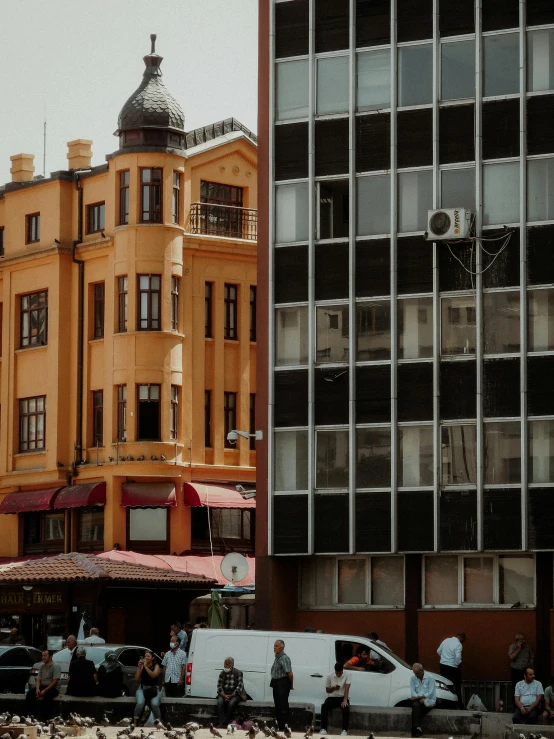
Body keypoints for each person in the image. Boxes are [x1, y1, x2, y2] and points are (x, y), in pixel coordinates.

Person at [25, 649, 60, 720]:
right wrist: (37, 688)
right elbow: (38, 678)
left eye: (45, 656)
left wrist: (44, 691)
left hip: (52, 687)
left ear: (50, 657)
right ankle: (29, 716)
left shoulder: (55, 666)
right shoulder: (41, 666)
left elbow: (55, 681)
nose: (43, 657)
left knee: (47, 697)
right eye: (42, 656)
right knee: (30, 694)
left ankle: (46, 718)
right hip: (42, 686)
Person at [405, 663, 437, 738]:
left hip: (428, 701)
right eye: (415, 673)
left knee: (415, 707)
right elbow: (412, 691)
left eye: (418, 673)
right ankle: (417, 729)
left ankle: (415, 729)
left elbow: (430, 693)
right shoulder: (413, 678)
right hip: (417, 700)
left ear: (422, 670)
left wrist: (419, 698)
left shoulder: (430, 678)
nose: (416, 675)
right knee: (415, 705)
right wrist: (418, 698)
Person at [319, 662, 351, 736]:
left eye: (339, 673)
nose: (338, 675)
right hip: (332, 696)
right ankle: (323, 728)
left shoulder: (348, 675)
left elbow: (347, 688)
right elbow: (327, 690)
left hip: (342, 696)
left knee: (346, 708)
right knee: (324, 706)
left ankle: (344, 730)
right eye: (337, 673)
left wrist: (345, 699)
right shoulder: (329, 676)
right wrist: (333, 688)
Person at [437, 633, 465, 709]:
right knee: (456, 686)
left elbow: (438, 651)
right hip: (453, 668)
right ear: (461, 638)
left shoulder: (445, 640)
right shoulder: (458, 644)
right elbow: (458, 657)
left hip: (443, 666)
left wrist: (444, 658)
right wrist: (458, 665)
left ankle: (445, 704)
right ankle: (459, 705)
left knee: (444, 685)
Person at [134, 650, 161, 727]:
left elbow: (154, 675)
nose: (146, 658)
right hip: (142, 688)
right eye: (145, 656)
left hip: (154, 689)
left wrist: (145, 667)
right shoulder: (142, 666)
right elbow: (136, 678)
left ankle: (158, 721)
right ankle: (135, 722)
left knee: (154, 704)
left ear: (152, 658)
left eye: (148, 656)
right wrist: (140, 668)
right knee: (140, 703)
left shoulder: (156, 666)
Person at [271, 639, 293, 730]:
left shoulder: (284, 658)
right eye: (274, 646)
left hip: (282, 683)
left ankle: (285, 726)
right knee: (278, 706)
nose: (274, 647)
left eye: (276, 646)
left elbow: (290, 674)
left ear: (282, 647)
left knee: (282, 705)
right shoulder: (277, 657)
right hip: (276, 682)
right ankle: (280, 726)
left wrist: (291, 685)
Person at [216, 657, 244, 728]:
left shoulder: (238, 673)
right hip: (224, 693)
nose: (225, 666)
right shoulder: (222, 673)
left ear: (232, 665)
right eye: (225, 664)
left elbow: (239, 688)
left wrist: (230, 696)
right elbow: (219, 687)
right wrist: (224, 695)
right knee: (220, 702)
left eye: (227, 664)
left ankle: (228, 722)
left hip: (234, 693)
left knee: (231, 704)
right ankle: (222, 722)